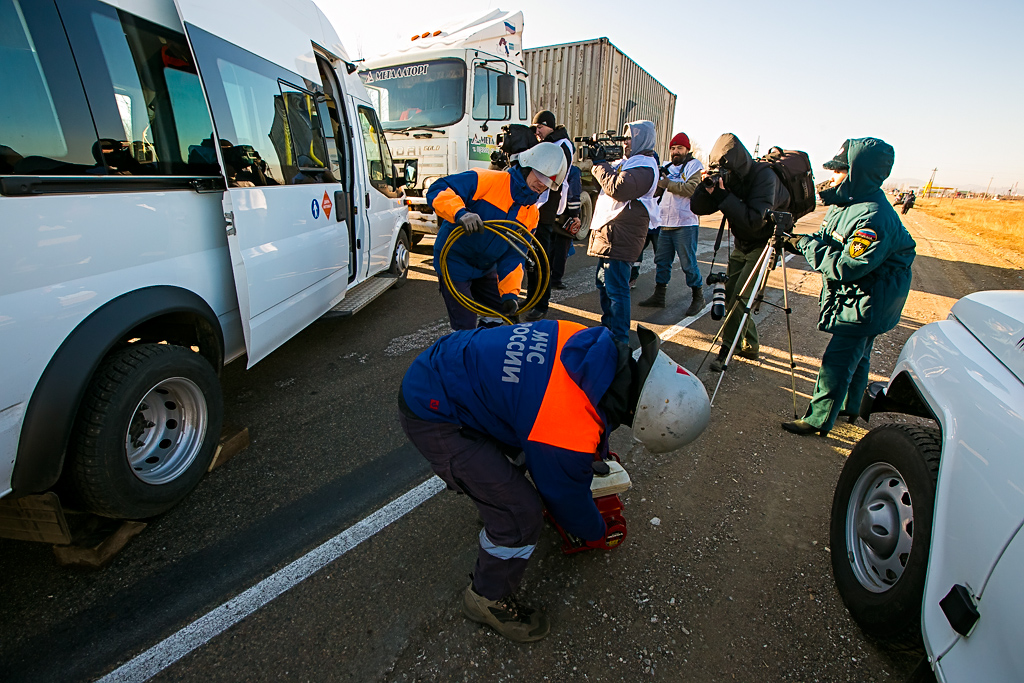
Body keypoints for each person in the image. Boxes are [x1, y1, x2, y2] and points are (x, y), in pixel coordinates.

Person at [398, 321, 710, 641]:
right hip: (434, 412)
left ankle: (494, 501)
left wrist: (588, 451)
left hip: (448, 366)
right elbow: (566, 499)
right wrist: (596, 531)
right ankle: (486, 598)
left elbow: (557, 404)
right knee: (520, 514)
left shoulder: (588, 342)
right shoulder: (568, 430)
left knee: (517, 455)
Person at [781, 137, 916, 437]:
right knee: (860, 354)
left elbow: (847, 266)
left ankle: (818, 419)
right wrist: (799, 241)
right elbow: (829, 239)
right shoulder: (848, 204)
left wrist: (805, 245)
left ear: (857, 174)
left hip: (869, 300)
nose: (832, 177)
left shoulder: (874, 216)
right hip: (866, 297)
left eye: (840, 172)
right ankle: (851, 407)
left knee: (838, 360)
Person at [427, 142, 567, 330]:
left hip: (485, 267)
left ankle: (485, 353)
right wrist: (460, 213)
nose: (542, 184)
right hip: (454, 261)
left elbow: (514, 256)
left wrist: (510, 294)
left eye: (549, 181)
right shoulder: (489, 180)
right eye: (540, 175)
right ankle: (459, 355)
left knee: (501, 318)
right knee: (465, 325)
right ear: (527, 165)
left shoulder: (531, 214)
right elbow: (439, 188)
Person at [691, 133, 790, 371]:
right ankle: (751, 345)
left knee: (740, 298)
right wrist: (708, 188)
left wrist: (724, 195)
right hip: (741, 244)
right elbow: (697, 207)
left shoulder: (764, 177)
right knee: (732, 295)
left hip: (763, 244)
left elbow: (754, 220)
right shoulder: (730, 179)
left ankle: (726, 350)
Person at [587, 121, 662, 344]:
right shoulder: (630, 162)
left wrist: (600, 163)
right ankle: (608, 328)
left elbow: (619, 189)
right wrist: (600, 159)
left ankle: (619, 341)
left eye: (630, 138)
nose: (625, 142)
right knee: (604, 283)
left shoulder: (646, 166)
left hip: (623, 234)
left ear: (642, 140)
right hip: (612, 231)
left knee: (617, 289)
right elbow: (603, 182)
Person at [639, 132, 706, 315]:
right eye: (673, 148)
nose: (676, 151)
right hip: (665, 222)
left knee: (688, 263)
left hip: (685, 223)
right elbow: (657, 192)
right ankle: (659, 296)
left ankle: (698, 297)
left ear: (687, 149)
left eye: (680, 148)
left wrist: (667, 183)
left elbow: (691, 189)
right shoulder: (667, 167)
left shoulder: (694, 166)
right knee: (661, 261)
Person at [524, 111, 582, 321]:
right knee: (531, 257)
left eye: (539, 127)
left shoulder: (562, 145)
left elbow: (553, 174)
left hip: (547, 207)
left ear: (549, 125)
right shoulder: (551, 143)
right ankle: (531, 298)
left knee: (541, 257)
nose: (537, 132)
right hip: (537, 205)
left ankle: (541, 304)